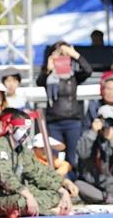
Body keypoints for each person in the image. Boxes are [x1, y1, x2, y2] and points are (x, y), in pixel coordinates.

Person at [0, 108, 72, 217]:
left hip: (13, 192)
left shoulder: (23, 150)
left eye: (28, 129)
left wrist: (62, 190)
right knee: (22, 201)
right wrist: (28, 196)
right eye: (22, 129)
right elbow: (5, 177)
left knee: (55, 195)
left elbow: (38, 173)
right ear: (10, 128)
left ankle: (30, 209)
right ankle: (48, 210)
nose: (26, 133)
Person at [36, 41, 92, 178]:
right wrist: (47, 69)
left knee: (73, 157)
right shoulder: (48, 75)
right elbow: (39, 82)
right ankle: (58, 184)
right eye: (58, 52)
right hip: (54, 121)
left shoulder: (73, 74)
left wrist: (74, 55)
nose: (61, 55)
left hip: (73, 120)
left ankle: (72, 184)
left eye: (63, 53)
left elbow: (88, 70)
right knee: (54, 157)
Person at [76, 105, 113, 203]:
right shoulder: (89, 136)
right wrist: (93, 132)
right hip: (93, 184)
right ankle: (108, 199)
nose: (107, 125)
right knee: (78, 184)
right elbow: (82, 154)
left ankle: (103, 198)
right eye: (104, 121)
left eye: (111, 122)